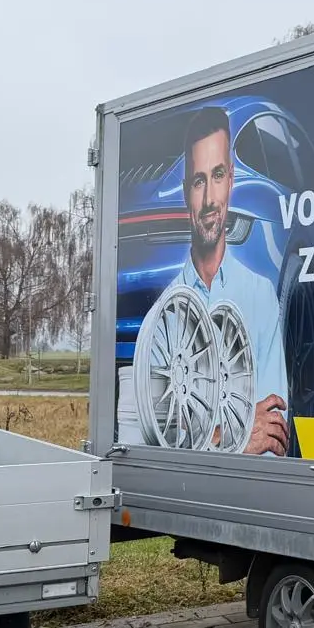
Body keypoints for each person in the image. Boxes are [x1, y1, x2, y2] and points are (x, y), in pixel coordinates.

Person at [121, 104, 290, 455]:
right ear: (187, 192)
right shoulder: (162, 318)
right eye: (199, 181)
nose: (210, 199)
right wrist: (230, 436)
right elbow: (157, 440)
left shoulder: (261, 295)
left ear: (231, 179)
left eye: (217, 176)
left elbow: (272, 436)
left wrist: (202, 434)